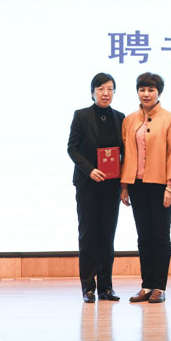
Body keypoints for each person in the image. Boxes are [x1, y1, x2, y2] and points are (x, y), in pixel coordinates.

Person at [120, 72, 171, 304]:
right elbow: (126, 155)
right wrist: (124, 186)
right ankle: (146, 285)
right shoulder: (129, 120)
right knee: (143, 237)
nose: (146, 94)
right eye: (142, 89)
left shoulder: (169, 119)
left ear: (159, 92)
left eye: (151, 90)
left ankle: (159, 286)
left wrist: (170, 187)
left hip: (161, 186)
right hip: (137, 185)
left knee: (160, 236)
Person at [67, 73, 125, 303]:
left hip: (111, 186)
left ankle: (106, 288)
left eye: (110, 89)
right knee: (88, 235)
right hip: (88, 185)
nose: (105, 93)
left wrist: (124, 184)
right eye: (100, 89)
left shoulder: (120, 118)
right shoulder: (81, 116)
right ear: (92, 92)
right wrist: (90, 170)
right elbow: (72, 149)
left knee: (107, 237)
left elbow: (124, 153)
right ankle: (88, 288)